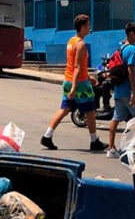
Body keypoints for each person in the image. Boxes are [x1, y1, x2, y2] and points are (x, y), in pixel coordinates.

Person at [41, 14, 106, 152]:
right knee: (90, 111)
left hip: (69, 80)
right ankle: (94, 141)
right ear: (82, 27)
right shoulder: (81, 44)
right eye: (88, 25)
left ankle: (47, 136)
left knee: (64, 109)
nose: (90, 28)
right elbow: (77, 66)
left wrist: (87, 77)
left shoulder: (71, 41)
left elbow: (75, 66)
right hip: (79, 84)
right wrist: (76, 86)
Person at [106, 22, 135, 158]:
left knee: (116, 118)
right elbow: (130, 70)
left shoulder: (121, 49)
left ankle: (111, 149)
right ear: (131, 34)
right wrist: (133, 92)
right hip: (128, 91)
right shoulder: (132, 49)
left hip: (119, 91)